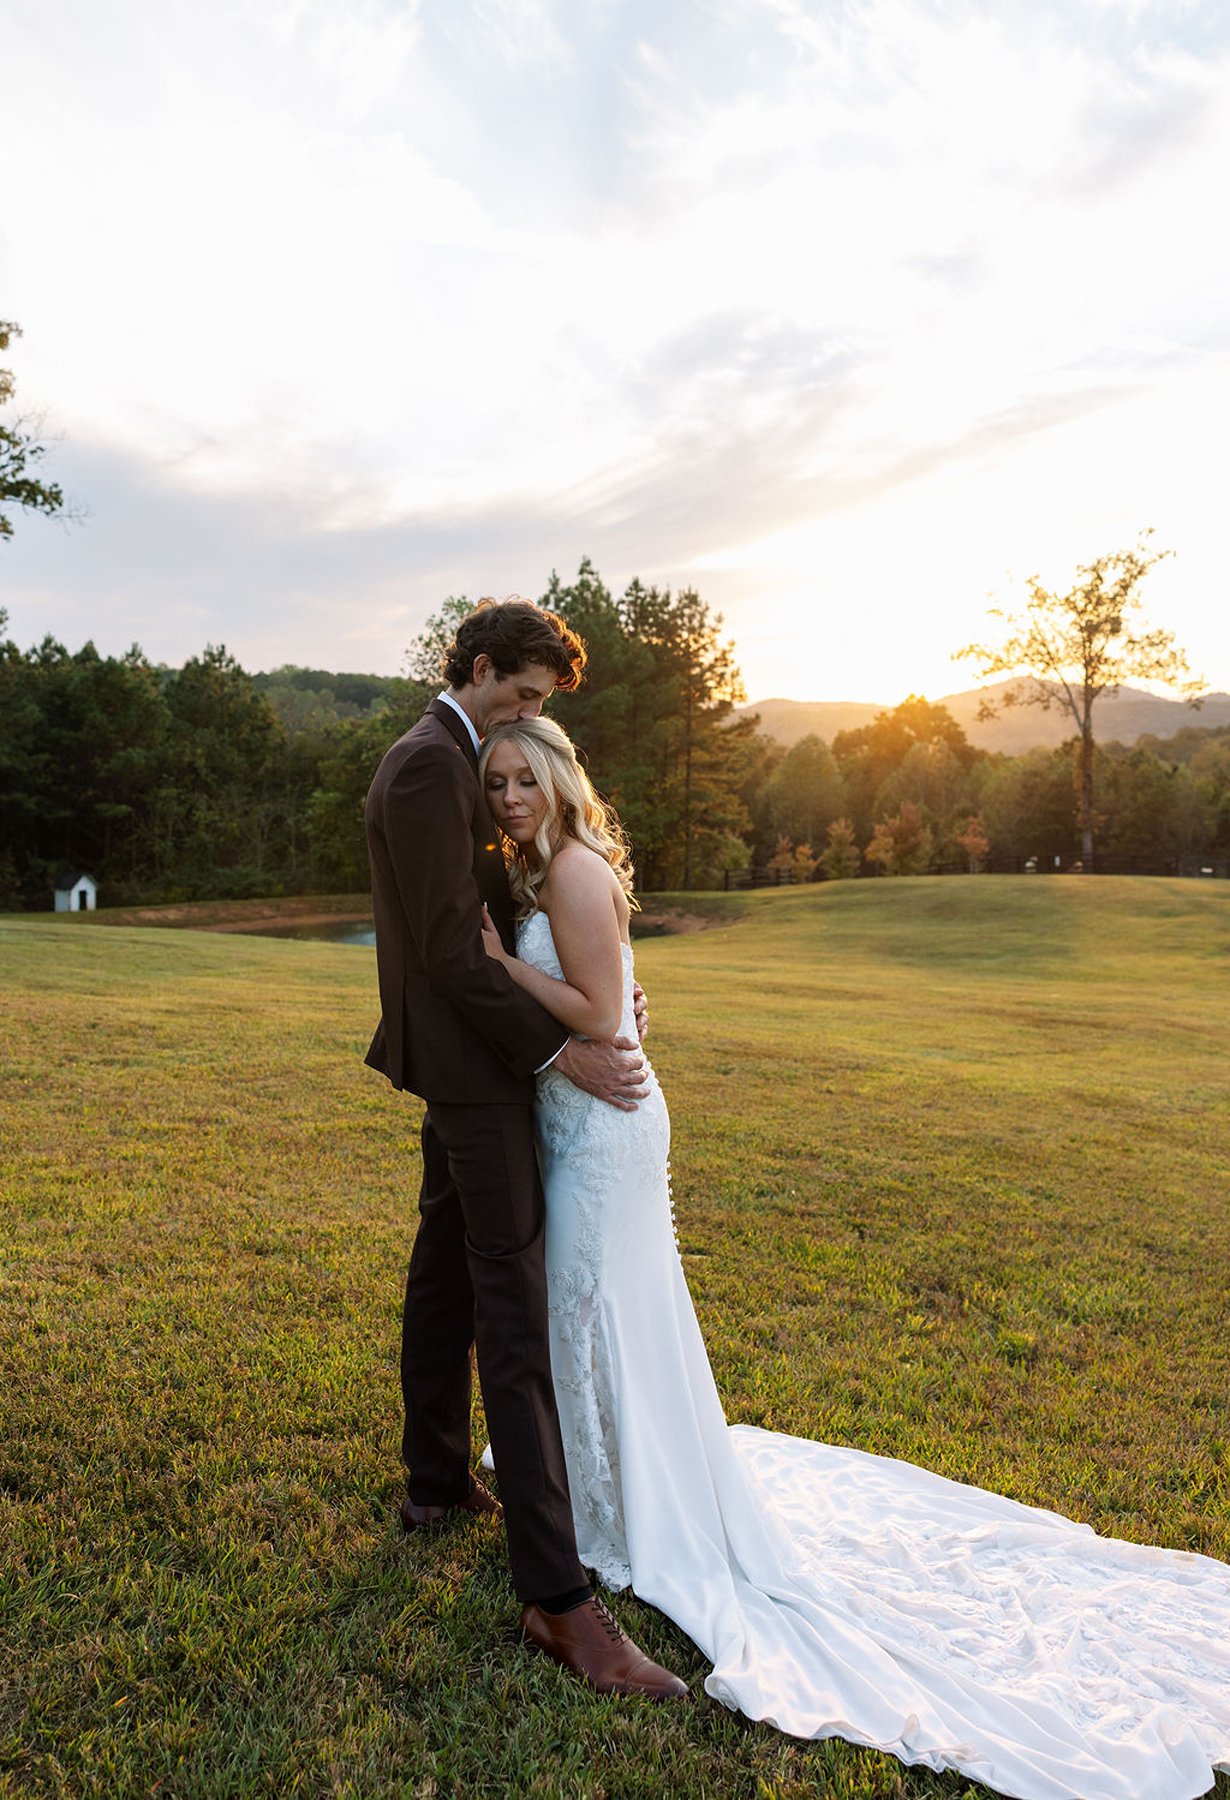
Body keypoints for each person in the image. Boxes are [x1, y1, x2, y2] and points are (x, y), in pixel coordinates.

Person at [478, 713, 1230, 1800]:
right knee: (594, 1310)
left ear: (557, 780)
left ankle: (620, 1508)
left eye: (522, 778)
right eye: (494, 782)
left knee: (595, 1304)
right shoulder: (544, 870)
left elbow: (599, 1010)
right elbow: (620, 1000)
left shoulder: (577, 873)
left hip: (605, 1134)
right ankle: (606, 1498)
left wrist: (506, 972)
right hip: (580, 1123)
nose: (507, 797)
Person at [363, 598, 686, 1700]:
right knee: (517, 1310)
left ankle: (436, 1482)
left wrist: (599, 985)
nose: (533, 726)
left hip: (477, 1062)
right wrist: (560, 1053)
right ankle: (558, 1601)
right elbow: (456, 952)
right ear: (487, 668)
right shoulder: (423, 768)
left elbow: (513, 915)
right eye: (531, 697)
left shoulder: (457, 759)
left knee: (446, 1263)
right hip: (477, 1070)